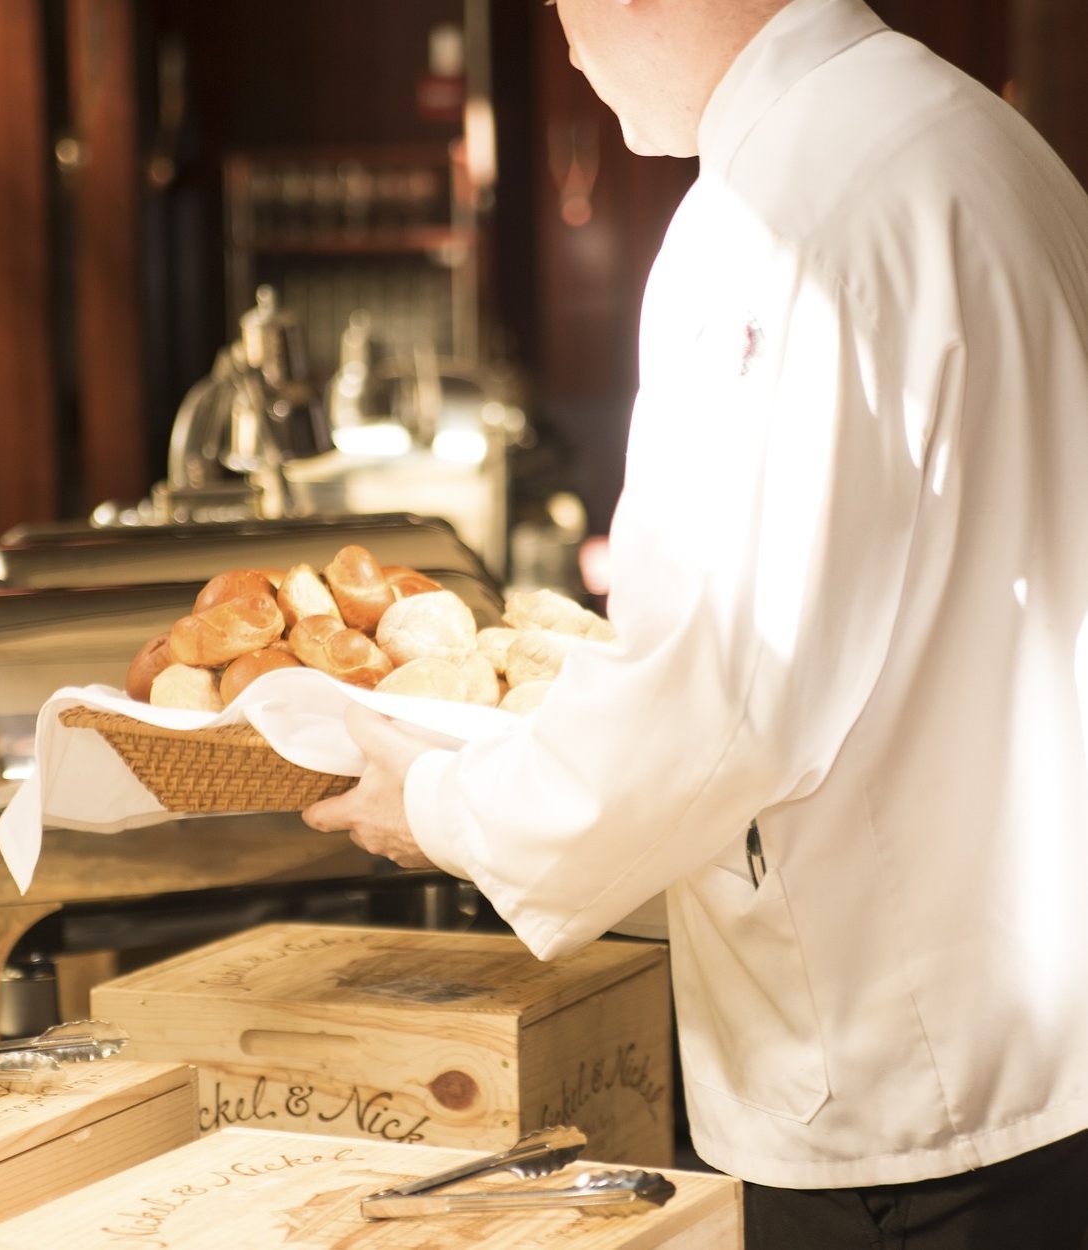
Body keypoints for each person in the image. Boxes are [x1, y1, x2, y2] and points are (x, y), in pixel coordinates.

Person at [303, 0, 1088, 1244]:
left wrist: (444, 804)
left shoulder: (773, 216)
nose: (561, 39)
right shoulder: (973, 136)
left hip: (908, 1101)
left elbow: (720, 696)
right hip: (1037, 1027)